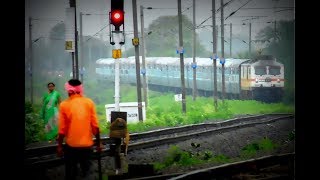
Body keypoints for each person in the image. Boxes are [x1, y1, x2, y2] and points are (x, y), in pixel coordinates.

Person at [56, 79, 101, 180]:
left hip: (71, 146)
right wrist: (98, 144)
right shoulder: (89, 103)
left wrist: (59, 146)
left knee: (71, 173)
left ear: (68, 91)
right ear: (81, 90)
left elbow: (62, 129)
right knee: (87, 172)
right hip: (87, 146)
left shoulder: (64, 105)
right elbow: (95, 126)